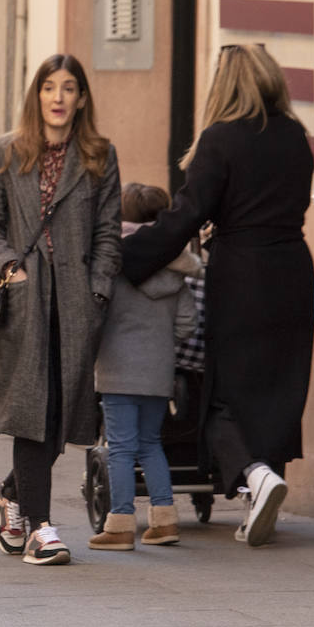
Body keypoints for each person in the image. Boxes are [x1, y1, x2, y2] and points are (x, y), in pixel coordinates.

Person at [121, 43, 314, 547]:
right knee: (278, 386)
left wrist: (127, 254)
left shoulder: (220, 140)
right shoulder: (297, 137)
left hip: (242, 276)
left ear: (223, 84)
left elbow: (187, 215)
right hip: (293, 273)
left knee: (224, 394)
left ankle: (253, 474)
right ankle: (260, 495)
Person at [0, 53, 121, 566]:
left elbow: (108, 232)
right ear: (36, 95)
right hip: (25, 302)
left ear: (81, 98)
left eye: (69, 88)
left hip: (79, 304)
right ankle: (40, 528)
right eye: (49, 88)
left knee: (61, 414)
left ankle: (13, 495)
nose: (58, 98)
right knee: (32, 413)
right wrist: (10, 267)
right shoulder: (6, 153)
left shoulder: (99, 156)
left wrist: (99, 291)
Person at [89, 183, 199, 550]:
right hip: (158, 371)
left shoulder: (113, 262)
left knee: (120, 447)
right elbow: (187, 324)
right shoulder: (176, 272)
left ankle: (120, 525)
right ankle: (165, 521)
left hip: (118, 368)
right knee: (152, 444)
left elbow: (96, 313)